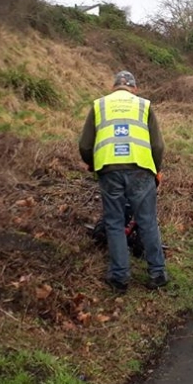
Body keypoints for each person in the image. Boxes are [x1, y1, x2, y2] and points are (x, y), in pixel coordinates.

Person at [79, 70, 168, 293]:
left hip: (109, 169)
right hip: (140, 170)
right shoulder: (144, 105)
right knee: (147, 221)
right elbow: (157, 146)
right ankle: (157, 273)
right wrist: (156, 170)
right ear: (134, 89)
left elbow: (85, 145)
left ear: (113, 88)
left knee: (115, 223)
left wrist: (92, 163)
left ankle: (119, 278)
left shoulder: (99, 105)